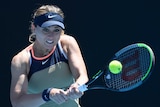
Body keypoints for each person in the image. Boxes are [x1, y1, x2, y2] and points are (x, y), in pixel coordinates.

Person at [10, 4, 89, 107]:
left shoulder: (67, 43)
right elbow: (17, 102)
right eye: (46, 29)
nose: (51, 36)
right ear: (34, 28)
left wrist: (77, 85)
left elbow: (82, 76)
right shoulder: (21, 60)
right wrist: (47, 94)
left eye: (56, 30)